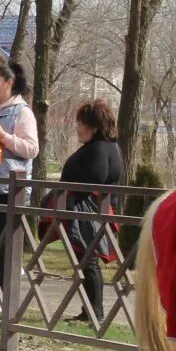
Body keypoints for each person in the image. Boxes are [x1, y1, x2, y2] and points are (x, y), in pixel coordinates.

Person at [0, 60, 42, 311]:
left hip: (7, 187)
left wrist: (2, 137)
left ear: (9, 83)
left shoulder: (21, 112)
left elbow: (31, 149)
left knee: (1, 243)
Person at [60, 98, 125, 321]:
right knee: (87, 261)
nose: (77, 128)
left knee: (88, 261)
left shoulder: (98, 149)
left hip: (88, 213)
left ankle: (94, 313)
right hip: (91, 211)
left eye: (80, 124)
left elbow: (95, 179)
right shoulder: (108, 146)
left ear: (94, 127)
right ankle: (90, 310)